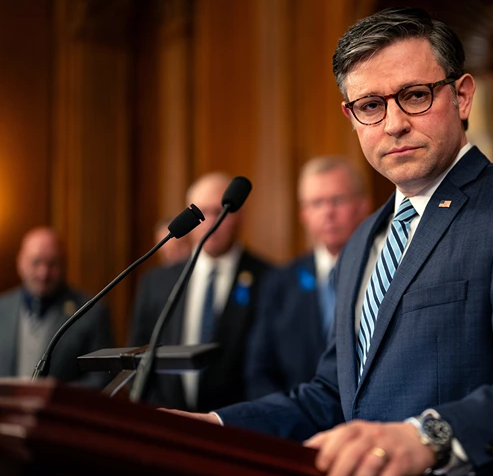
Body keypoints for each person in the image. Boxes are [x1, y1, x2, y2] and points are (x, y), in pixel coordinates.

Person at [168, 8, 493, 476]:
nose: (395, 123)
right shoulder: (362, 242)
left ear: (462, 96)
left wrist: (425, 439)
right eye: (371, 105)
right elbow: (332, 398)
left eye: (415, 96)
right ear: (351, 117)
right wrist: (212, 426)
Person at [129, 172, 272, 412]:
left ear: (240, 217)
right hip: (167, 422)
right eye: (202, 212)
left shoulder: (268, 279)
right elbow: (136, 356)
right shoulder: (157, 282)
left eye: (220, 212)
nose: (211, 222)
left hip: (238, 427)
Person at [245, 155, 370, 399]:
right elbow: (259, 371)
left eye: (338, 200)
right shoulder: (279, 283)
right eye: (316, 203)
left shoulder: (386, 269)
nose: (328, 212)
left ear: (363, 205)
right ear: (304, 215)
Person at [0, 227, 113, 386]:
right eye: (36, 262)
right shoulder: (2, 308)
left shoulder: (91, 311)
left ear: (64, 264)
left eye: (52, 264)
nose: (43, 273)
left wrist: (57, 396)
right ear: (21, 263)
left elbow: (103, 378)